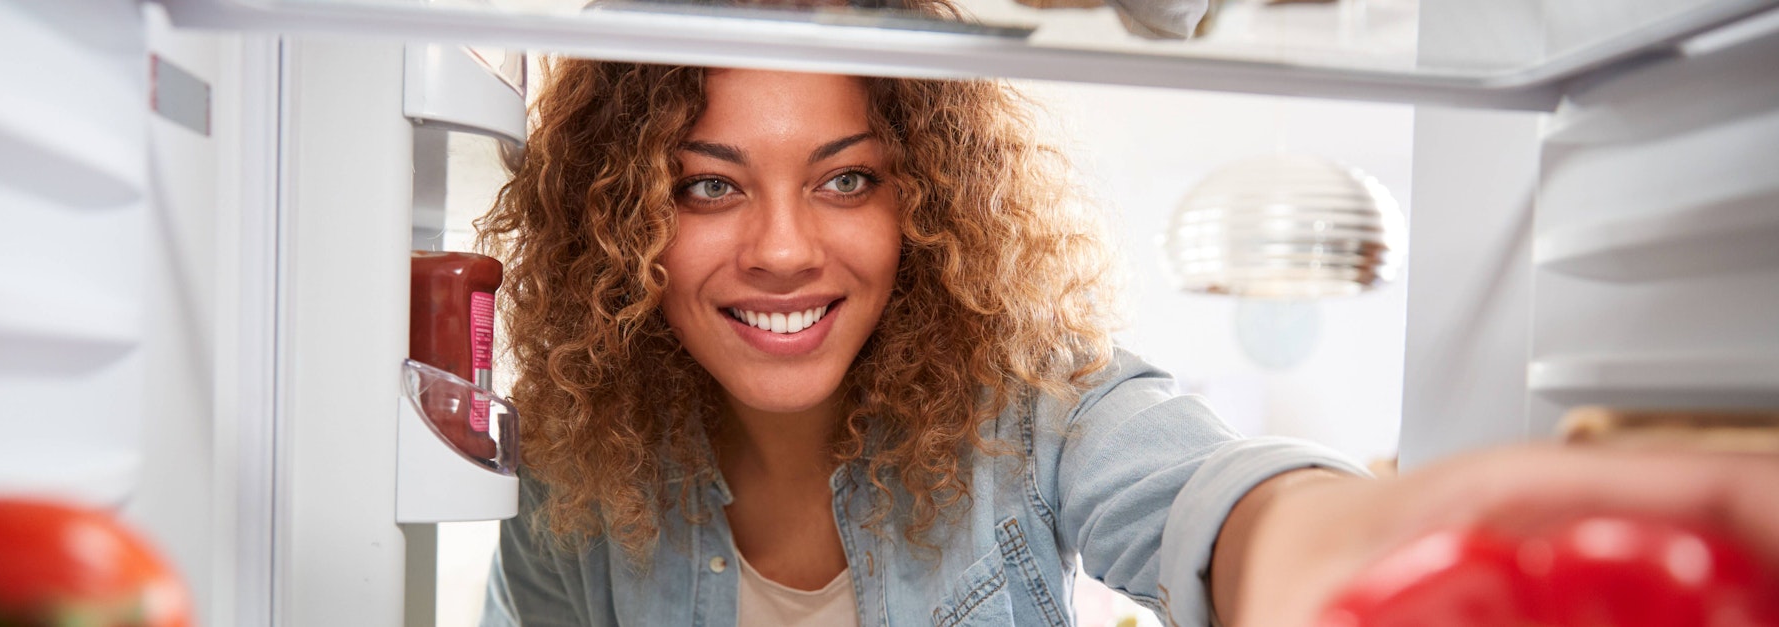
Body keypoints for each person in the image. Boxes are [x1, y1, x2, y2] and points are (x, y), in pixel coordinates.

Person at [473, 37, 1779, 627]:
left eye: (846, 176)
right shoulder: (574, 479)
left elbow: (1219, 501)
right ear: (622, 215)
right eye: (710, 183)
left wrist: (1366, 557)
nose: (779, 245)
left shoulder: (1033, 403)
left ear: (919, 199)